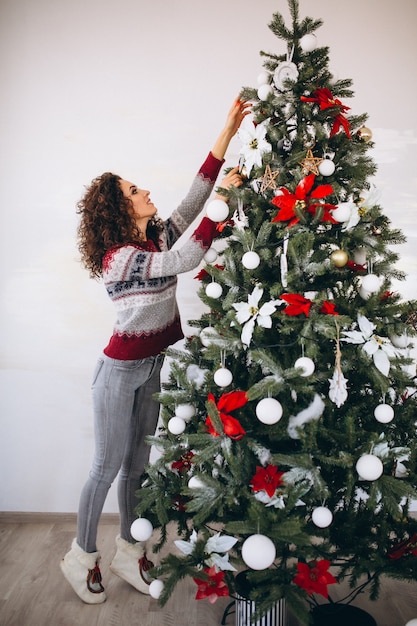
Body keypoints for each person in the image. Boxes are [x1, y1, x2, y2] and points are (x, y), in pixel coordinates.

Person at [60, 97, 251, 604]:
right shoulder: (120, 259)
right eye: (133, 189)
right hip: (119, 371)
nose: (145, 190)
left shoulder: (152, 239)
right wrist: (223, 206)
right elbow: (187, 257)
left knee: (139, 464)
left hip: (152, 364)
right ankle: (80, 556)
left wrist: (227, 132)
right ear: (120, 207)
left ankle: (128, 549)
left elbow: (193, 200)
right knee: (106, 465)